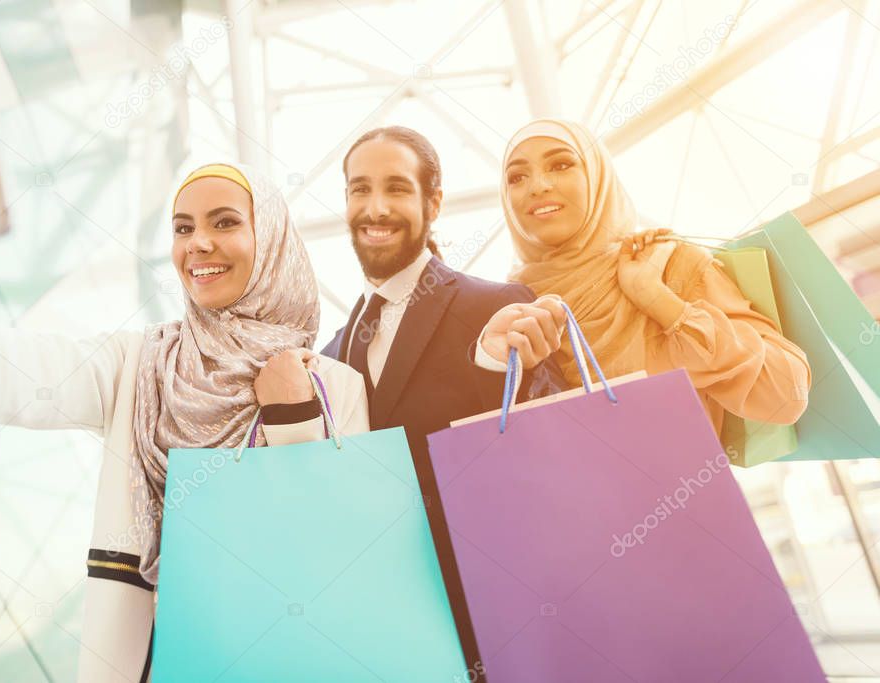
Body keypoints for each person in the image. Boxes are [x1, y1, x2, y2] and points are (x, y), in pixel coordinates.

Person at [0, 151, 369, 682]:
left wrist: (294, 416)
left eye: (226, 222)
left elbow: (343, 548)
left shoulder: (334, 388)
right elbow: (20, 374)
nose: (197, 243)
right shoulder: (141, 365)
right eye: (182, 227)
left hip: (290, 658)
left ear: (274, 242)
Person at [321, 125, 568, 671]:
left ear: (433, 202)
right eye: (360, 189)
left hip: (500, 628)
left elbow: (548, 462)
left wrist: (492, 368)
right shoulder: (329, 358)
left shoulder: (498, 307)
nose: (376, 207)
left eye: (397, 188)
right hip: (390, 637)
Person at [498, 118, 811, 434]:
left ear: (598, 176)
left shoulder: (664, 265)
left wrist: (657, 300)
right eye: (517, 176)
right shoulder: (507, 311)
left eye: (562, 164)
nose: (538, 186)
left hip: (683, 483)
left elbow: (787, 395)